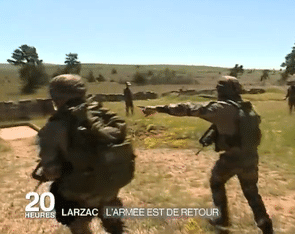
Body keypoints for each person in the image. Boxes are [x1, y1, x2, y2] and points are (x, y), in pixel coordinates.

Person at [140, 76, 273, 234]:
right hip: (251, 157)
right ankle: (265, 225)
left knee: (216, 181)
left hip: (232, 158)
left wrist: (158, 108)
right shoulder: (247, 108)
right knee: (251, 192)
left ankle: (222, 220)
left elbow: (189, 108)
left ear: (221, 90)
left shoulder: (222, 108)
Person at [37, 74, 129, 234]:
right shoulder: (102, 116)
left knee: (57, 195)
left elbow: (52, 172)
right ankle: (114, 225)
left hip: (80, 194)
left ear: (56, 97)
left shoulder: (54, 127)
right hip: (111, 187)